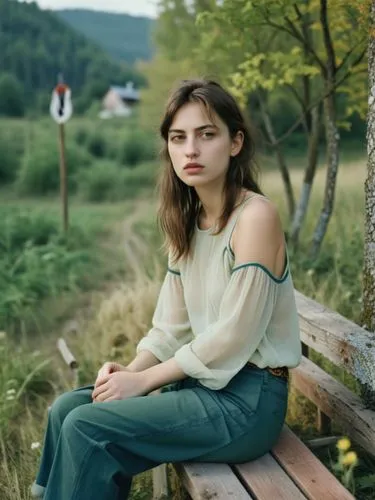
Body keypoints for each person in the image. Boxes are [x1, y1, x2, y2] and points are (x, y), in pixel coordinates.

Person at [31, 79, 301, 500]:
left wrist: (147, 382)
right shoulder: (189, 225)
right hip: (204, 387)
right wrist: (131, 372)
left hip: (248, 402)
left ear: (235, 142)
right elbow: (169, 329)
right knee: (69, 408)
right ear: (169, 149)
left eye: (206, 134)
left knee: (88, 427)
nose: (190, 150)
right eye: (179, 138)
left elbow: (235, 336)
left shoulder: (255, 217)